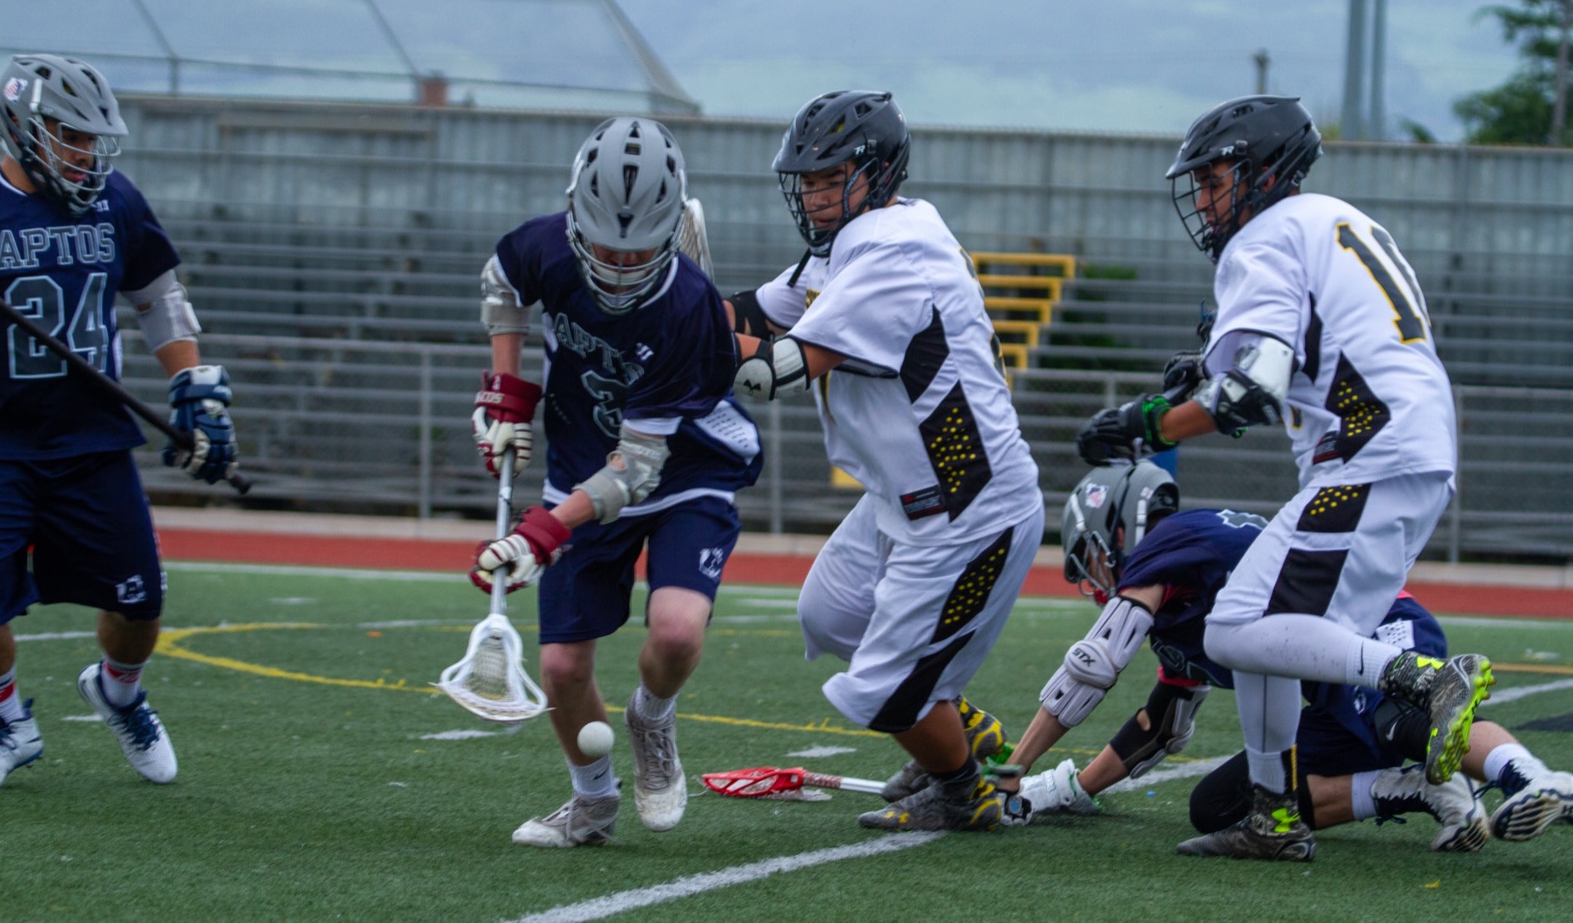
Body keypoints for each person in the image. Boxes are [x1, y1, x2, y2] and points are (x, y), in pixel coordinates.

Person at [1076, 94, 1494, 861]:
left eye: (1216, 179)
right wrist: (1204, 370)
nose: (1204, 199)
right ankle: (1272, 815)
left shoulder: (1261, 239)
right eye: (1198, 184)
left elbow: (1249, 394)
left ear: (1265, 172)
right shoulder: (1336, 219)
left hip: (1370, 449)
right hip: (1407, 446)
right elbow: (1306, 342)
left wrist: (1143, 422)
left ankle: (1423, 681)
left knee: (1233, 627)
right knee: (1263, 629)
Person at [727, 90, 1045, 832]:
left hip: (968, 511)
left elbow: (772, 367)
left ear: (877, 172)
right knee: (832, 613)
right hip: (903, 499)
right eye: (805, 178)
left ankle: (964, 789)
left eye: (829, 175)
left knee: (884, 694)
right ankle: (961, 733)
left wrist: (680, 345)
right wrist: (665, 304)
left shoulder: (895, 249)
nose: (812, 192)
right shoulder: (854, 242)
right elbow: (755, 312)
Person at [999, 462, 1572, 851]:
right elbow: (1159, 729)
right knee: (1222, 806)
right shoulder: (1179, 605)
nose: (1092, 582)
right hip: (1323, 684)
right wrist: (1064, 790)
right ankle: (1418, 788)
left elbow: (1092, 664)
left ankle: (1536, 779)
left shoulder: (1170, 541)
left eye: (1089, 559)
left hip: (1375, 620)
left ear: (1116, 528)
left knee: (1398, 719)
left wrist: (1015, 772)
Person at [468, 117, 762, 848]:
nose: (618, 261)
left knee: (676, 628)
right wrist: (505, 389)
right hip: (578, 460)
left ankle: (652, 720)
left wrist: (540, 532)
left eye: (636, 248)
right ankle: (592, 802)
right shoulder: (544, 246)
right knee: (562, 666)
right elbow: (503, 286)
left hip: (682, 466)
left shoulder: (687, 304)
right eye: (602, 244)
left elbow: (637, 469)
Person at [0, 53, 238, 790]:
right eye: (70, 136)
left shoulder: (113, 200)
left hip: (92, 438)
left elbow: (157, 295)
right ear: (23, 129)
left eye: (93, 139)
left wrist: (190, 380)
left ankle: (119, 692)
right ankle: (8, 725)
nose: (87, 153)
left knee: (139, 599)